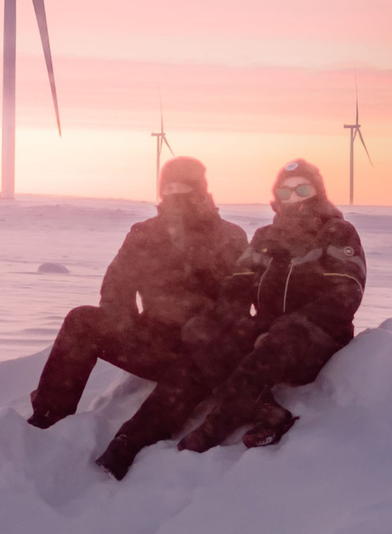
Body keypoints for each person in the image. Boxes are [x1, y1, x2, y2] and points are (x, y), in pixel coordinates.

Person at [28, 154, 251, 479]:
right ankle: (47, 421)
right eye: (170, 187)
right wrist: (130, 328)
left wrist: (204, 332)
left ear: (202, 189)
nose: (178, 194)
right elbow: (116, 286)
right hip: (151, 338)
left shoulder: (230, 237)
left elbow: (237, 302)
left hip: (200, 351)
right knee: (81, 320)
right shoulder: (145, 232)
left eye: (186, 186)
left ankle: (126, 446)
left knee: (194, 369)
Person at [177, 157, 366, 452]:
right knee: (200, 329)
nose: (293, 198)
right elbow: (238, 283)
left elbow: (347, 292)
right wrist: (232, 321)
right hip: (269, 335)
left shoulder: (338, 232)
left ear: (318, 192)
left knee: (283, 336)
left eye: (302, 190)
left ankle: (217, 424)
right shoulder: (266, 237)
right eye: (285, 191)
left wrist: (288, 326)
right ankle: (265, 411)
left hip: (318, 339)